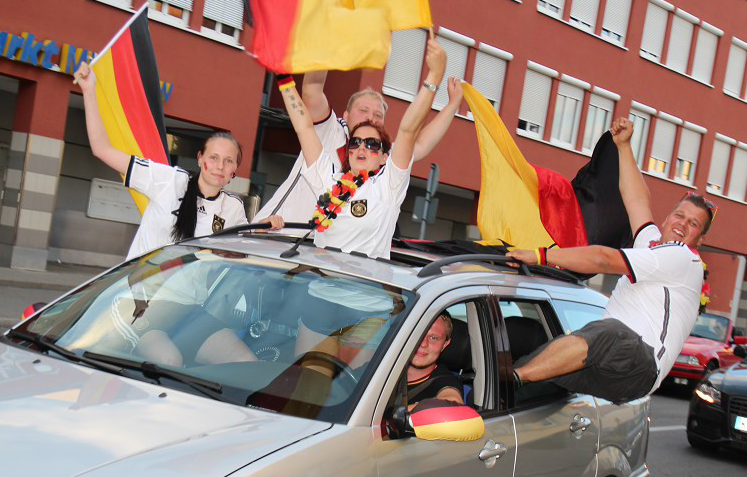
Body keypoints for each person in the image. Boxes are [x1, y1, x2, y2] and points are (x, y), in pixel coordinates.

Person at [509, 117, 710, 403]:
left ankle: (513, 378)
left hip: (641, 365)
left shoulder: (684, 259)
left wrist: (541, 255)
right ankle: (500, 388)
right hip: (605, 365)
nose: (683, 224)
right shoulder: (650, 243)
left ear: (699, 240)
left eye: (694, 224)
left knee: (610, 332)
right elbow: (636, 200)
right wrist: (624, 146)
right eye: (680, 215)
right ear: (667, 217)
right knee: (532, 341)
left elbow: (604, 259)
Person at [276, 33, 446, 365]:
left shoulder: (389, 185)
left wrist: (433, 78)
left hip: (366, 306)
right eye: (355, 143)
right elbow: (303, 126)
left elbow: (410, 129)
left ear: (384, 156)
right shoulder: (329, 178)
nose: (362, 149)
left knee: (352, 391)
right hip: (320, 299)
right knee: (307, 382)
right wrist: (283, 77)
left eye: (372, 145)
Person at [74, 60, 283, 260]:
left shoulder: (232, 208)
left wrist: (263, 226)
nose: (220, 166)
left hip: (189, 297)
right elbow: (102, 149)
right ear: (200, 159)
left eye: (229, 161)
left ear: (234, 170)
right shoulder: (168, 180)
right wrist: (89, 90)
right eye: (214, 157)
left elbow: (242, 249)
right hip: (139, 292)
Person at [255, 69, 463, 228]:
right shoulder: (329, 130)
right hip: (274, 233)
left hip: (319, 257)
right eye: (363, 111)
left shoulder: (383, 157)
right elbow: (311, 91)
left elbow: (420, 143)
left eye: (378, 115)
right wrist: (325, 41)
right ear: (345, 116)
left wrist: (453, 105)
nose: (370, 118)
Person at [407, 313, 463, 405]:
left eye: (433, 338)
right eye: (418, 334)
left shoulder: (445, 381)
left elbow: (452, 402)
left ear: (444, 345)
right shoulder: (384, 369)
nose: (423, 343)